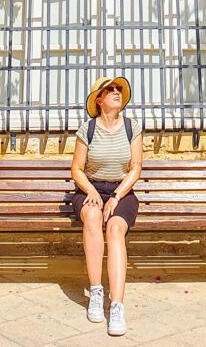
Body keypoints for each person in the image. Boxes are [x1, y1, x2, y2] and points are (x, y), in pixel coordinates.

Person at [71, 76, 142, 337]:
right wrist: (90, 191)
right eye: (110, 89)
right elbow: (76, 169)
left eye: (118, 89)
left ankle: (118, 305)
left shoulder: (131, 127)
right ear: (99, 100)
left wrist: (116, 196)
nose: (116, 92)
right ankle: (96, 292)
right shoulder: (87, 129)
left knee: (113, 228)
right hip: (90, 189)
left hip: (121, 192)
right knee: (91, 216)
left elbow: (135, 168)